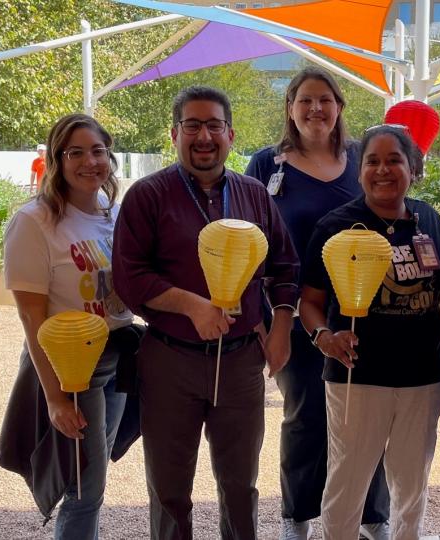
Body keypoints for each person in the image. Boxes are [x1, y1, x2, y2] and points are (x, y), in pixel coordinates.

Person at [112, 85, 300, 540]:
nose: (203, 136)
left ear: (230, 134)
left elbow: (285, 266)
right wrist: (191, 304)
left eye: (213, 125)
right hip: (169, 359)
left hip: (239, 361)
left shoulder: (254, 194)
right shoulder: (148, 195)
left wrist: (281, 329)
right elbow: (130, 276)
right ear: (174, 134)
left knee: (240, 485)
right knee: (169, 487)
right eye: (192, 125)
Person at [244, 67, 391, 540]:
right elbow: (249, 241)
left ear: (339, 107)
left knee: (366, 414)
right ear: (290, 108)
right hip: (289, 310)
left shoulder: (361, 159)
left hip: (360, 309)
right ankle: (298, 515)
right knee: (304, 413)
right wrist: (261, 320)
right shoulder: (267, 166)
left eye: (325, 99)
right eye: (305, 100)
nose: (315, 109)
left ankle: (373, 516)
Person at [298, 125, 440, 540]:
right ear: (360, 171)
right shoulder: (337, 226)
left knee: (412, 485)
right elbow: (308, 301)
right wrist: (324, 337)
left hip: (422, 377)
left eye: (394, 160)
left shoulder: (429, 219)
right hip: (357, 377)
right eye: (373, 161)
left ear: (413, 168)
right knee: (347, 485)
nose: (383, 170)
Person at [0, 113, 142, 539]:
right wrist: (56, 398)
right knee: (84, 487)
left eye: (97, 151)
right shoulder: (34, 222)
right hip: (74, 367)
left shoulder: (113, 213)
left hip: (118, 357)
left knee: (91, 479)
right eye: (75, 152)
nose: (89, 161)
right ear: (57, 159)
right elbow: (31, 318)